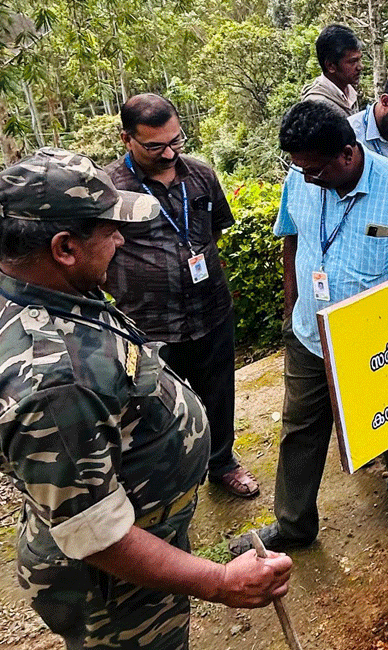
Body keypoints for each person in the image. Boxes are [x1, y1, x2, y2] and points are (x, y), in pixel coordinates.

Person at [0, 148, 292, 648]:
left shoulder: (49, 288)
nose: (121, 239)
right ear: (64, 247)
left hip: (144, 537)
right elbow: (97, 534)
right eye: (110, 230)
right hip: (113, 590)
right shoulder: (55, 384)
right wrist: (220, 583)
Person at [230, 101, 388, 554]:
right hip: (310, 336)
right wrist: (292, 308)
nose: (307, 179)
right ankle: (293, 525)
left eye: (315, 170)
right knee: (300, 428)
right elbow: (291, 236)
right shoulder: (301, 179)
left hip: (377, 339)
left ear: (348, 153)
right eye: (301, 169)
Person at [104, 94, 259, 500]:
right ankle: (168, 483)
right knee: (154, 410)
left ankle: (222, 462)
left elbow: (215, 232)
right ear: (127, 139)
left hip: (210, 311)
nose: (170, 153)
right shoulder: (108, 191)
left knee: (219, 394)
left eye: (177, 141)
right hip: (149, 325)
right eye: (156, 146)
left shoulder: (201, 176)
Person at [302, 24, 362, 113]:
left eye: (360, 59)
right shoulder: (317, 106)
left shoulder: (349, 91)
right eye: (352, 61)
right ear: (330, 66)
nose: (360, 67)